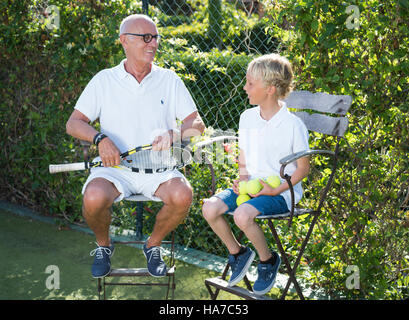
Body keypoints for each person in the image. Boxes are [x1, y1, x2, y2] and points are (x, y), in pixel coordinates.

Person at [66, 14, 205, 279]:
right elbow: (74, 123)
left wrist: (174, 133)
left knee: (183, 196)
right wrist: (100, 139)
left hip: (161, 168)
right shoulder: (104, 80)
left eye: (155, 37)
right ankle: (104, 246)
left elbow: (197, 123)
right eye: (145, 37)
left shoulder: (169, 79)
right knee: (93, 198)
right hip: (115, 170)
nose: (152, 43)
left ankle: (153, 245)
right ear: (124, 41)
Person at [202, 54, 310, 295]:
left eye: (250, 83)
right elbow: (243, 155)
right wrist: (242, 179)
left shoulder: (293, 125)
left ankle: (268, 260)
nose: (244, 87)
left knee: (242, 215)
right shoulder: (247, 117)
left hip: (282, 193)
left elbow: (303, 168)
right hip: (251, 187)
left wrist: (275, 189)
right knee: (209, 208)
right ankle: (238, 253)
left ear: (270, 89)